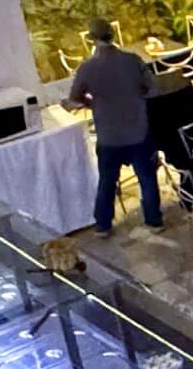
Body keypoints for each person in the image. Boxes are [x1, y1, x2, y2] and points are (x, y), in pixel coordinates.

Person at [64, 17, 161, 235]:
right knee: (147, 178)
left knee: (107, 180)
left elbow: (74, 99)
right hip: (138, 131)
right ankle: (154, 220)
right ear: (113, 35)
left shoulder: (87, 68)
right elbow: (153, 87)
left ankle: (103, 224)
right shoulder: (133, 60)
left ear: (92, 39)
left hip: (109, 136)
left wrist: (93, 102)